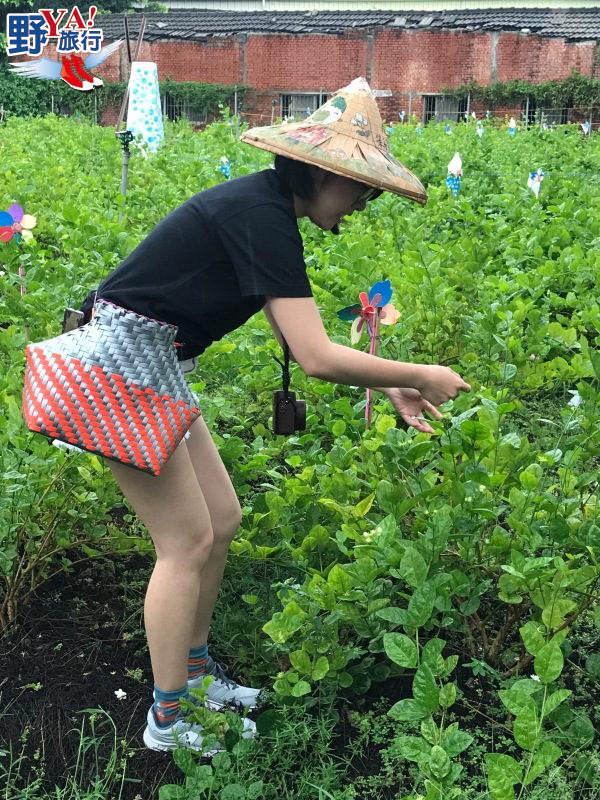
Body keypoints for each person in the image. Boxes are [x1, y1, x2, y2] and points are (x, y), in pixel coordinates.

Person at [77, 77, 470, 753]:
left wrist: (396, 387)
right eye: (359, 187)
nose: (363, 203)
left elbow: (300, 339)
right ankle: (169, 721)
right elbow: (316, 355)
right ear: (319, 172)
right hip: (119, 370)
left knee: (221, 521)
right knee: (185, 544)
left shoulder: (265, 210)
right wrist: (420, 375)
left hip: (157, 364)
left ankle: (196, 678)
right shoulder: (260, 214)